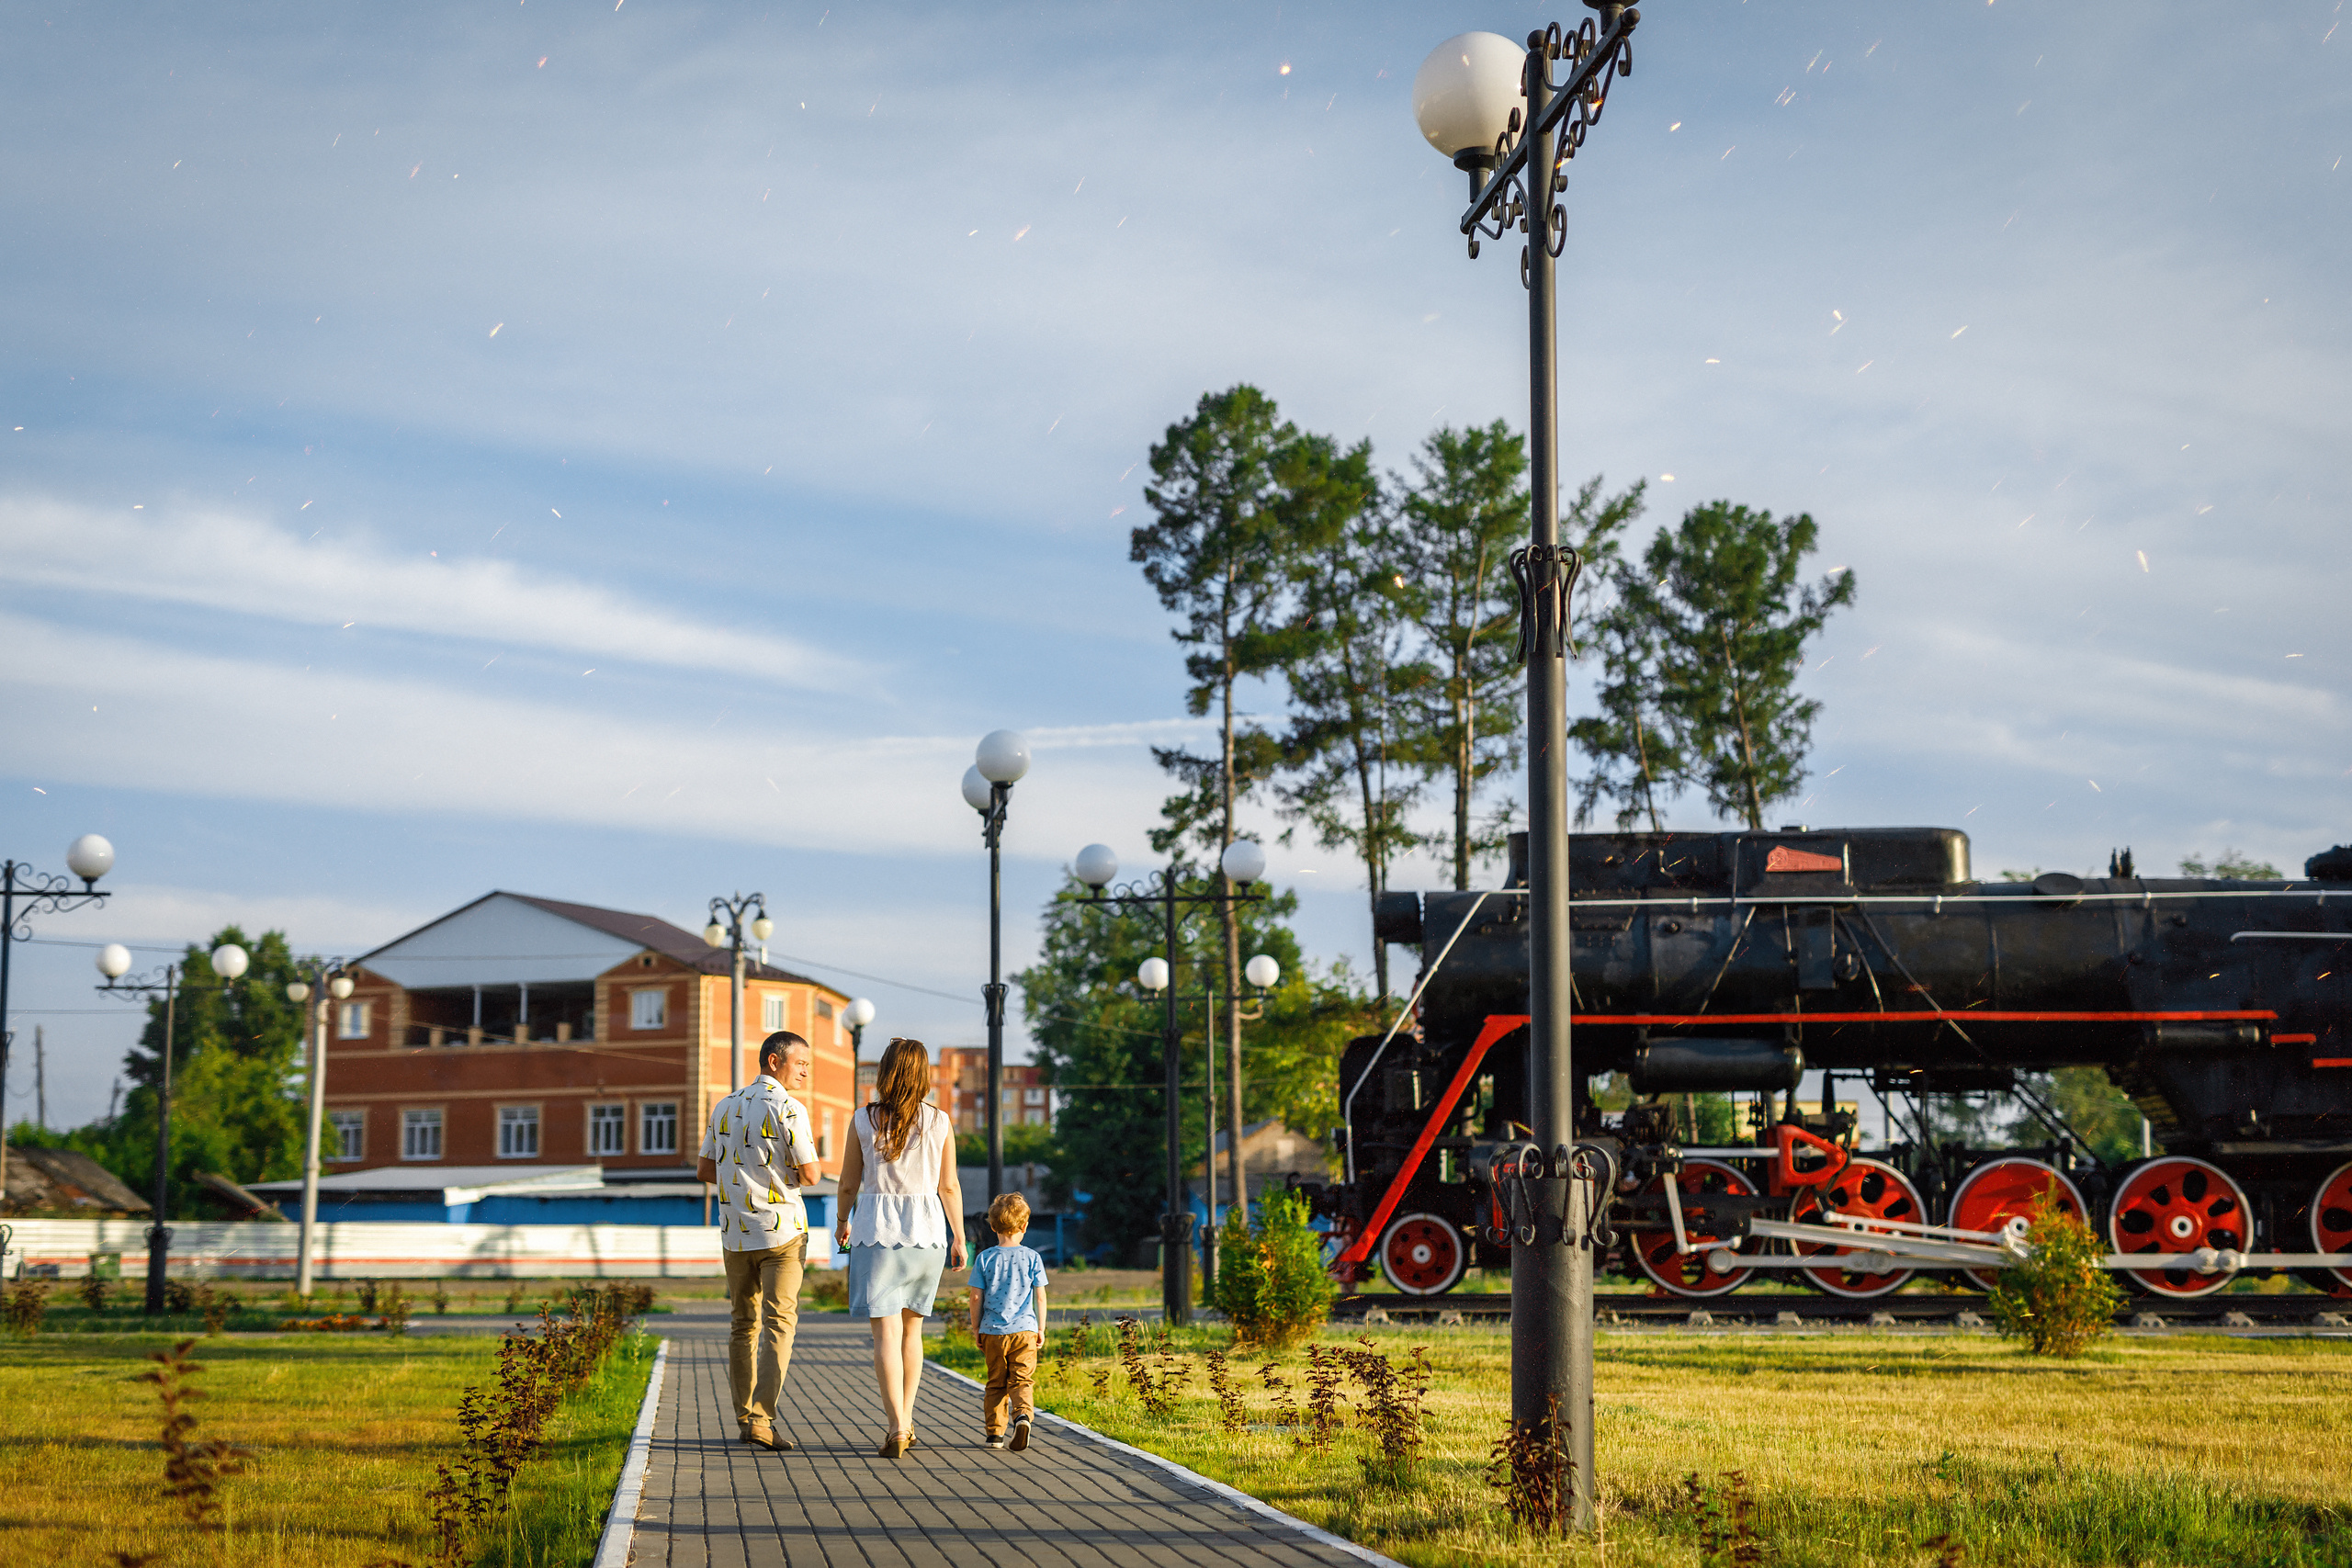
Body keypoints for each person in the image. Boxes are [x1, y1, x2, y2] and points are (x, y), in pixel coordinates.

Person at [833, 1036, 964, 1458]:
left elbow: (849, 1182)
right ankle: (906, 1419)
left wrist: (840, 1221)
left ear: (886, 1072)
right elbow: (948, 1185)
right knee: (913, 1330)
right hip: (928, 1233)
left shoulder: (862, 1120)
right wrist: (959, 1236)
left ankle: (897, 1425)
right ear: (923, 1074)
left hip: (876, 1232)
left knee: (885, 1333)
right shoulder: (941, 1121)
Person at [695, 1030, 821, 1452]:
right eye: (800, 1063)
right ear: (773, 1061)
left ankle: (744, 1418)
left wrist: (741, 1177)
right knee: (778, 1323)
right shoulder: (789, 1108)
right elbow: (811, 1174)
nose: (806, 1070)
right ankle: (763, 1419)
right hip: (782, 1232)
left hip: (735, 1232)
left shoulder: (725, 1105)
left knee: (741, 1324)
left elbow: (704, 1170)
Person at [966, 1190, 1049, 1451]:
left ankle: (995, 1435)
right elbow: (1041, 1296)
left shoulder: (984, 1258)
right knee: (1021, 1380)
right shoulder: (1033, 1258)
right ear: (1024, 1226)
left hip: (992, 1331)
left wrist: (976, 1327)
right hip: (1025, 1330)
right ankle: (1023, 1416)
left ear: (992, 1227)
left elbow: (976, 1298)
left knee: (996, 1383)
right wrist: (1041, 1328)